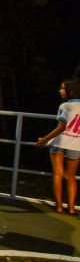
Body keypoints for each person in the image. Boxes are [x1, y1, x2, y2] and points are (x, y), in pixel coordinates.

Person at [36, 78, 80, 215]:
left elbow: (61, 128)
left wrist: (43, 140)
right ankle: (71, 208)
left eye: (62, 88)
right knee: (71, 176)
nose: (60, 91)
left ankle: (59, 207)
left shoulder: (65, 106)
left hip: (60, 142)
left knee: (58, 174)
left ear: (70, 91)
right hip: (76, 144)